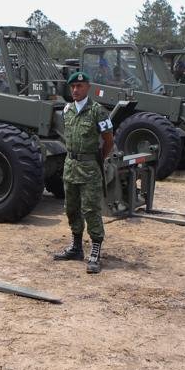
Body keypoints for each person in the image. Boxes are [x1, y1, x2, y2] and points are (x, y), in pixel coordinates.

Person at [53, 71, 114, 273]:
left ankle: (95, 250)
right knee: (71, 208)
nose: (76, 90)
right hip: (70, 166)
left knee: (91, 210)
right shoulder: (67, 109)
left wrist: (97, 159)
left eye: (79, 87)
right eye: (73, 87)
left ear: (88, 87)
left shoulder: (98, 111)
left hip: (89, 169)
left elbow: (108, 140)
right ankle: (76, 247)